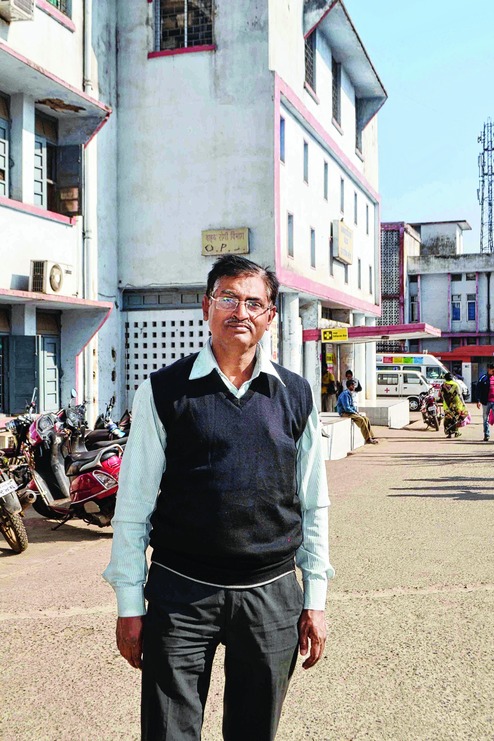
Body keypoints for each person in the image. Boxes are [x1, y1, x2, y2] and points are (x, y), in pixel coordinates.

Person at [103, 254, 333, 741]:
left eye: (254, 302)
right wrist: (129, 603)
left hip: (271, 593)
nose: (240, 312)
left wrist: (315, 599)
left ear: (270, 316)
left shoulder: (295, 395)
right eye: (228, 298)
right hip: (180, 594)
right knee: (169, 732)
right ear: (206, 306)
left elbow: (314, 504)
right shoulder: (164, 391)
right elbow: (134, 505)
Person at [336, 378, 378, 444]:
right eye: (353, 385)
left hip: (349, 412)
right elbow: (346, 408)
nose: (354, 387)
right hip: (344, 413)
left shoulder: (349, 393)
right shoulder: (345, 394)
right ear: (349, 386)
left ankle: (371, 436)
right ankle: (368, 439)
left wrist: (356, 412)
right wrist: (355, 413)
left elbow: (352, 406)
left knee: (366, 419)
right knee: (361, 420)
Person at [440, 372, 468, 438]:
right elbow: (460, 395)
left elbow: (441, 395)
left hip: (447, 405)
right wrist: (463, 403)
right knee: (456, 418)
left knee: (448, 418)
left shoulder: (443, 385)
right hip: (456, 404)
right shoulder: (455, 385)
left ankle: (449, 433)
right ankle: (456, 432)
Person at [476, 363, 494, 441]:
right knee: (485, 418)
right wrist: (478, 400)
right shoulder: (483, 378)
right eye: (492, 370)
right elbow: (478, 390)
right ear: (488, 369)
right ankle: (486, 434)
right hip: (486, 402)